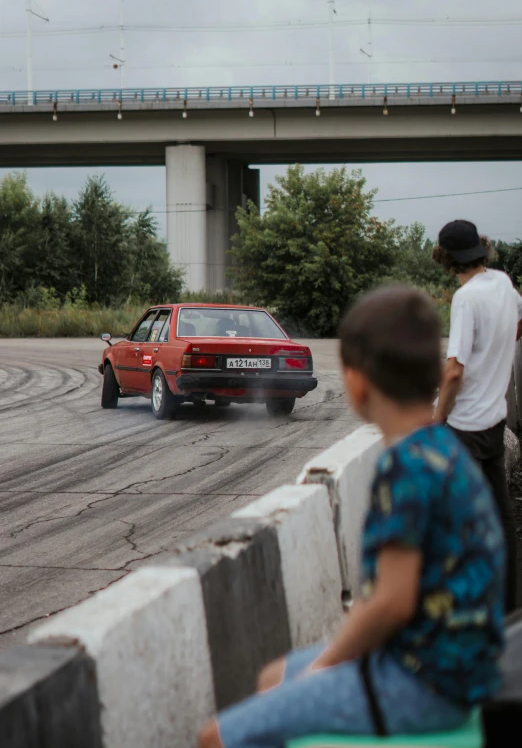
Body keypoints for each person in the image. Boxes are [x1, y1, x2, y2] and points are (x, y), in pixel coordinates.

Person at [198, 286, 505, 748]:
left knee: (213, 737)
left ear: (357, 383)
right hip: (459, 667)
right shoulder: (444, 451)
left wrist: (324, 669)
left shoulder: (403, 467)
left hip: (423, 683)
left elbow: (391, 602)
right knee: (273, 676)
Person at [433, 219, 522, 613]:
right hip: (494, 423)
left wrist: (437, 422)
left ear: (448, 258)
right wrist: (493, 360)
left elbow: (454, 371)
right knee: (503, 525)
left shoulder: (465, 298)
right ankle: (510, 612)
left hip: (464, 429)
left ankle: (465, 615)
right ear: (481, 249)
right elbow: (515, 328)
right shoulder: (504, 283)